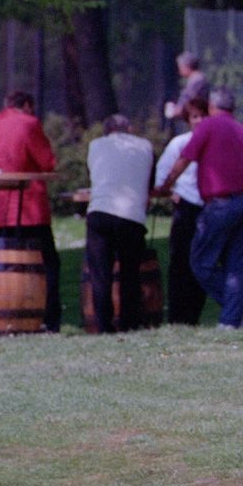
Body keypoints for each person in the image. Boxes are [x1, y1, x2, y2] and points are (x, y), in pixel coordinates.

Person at [155, 86, 243, 329]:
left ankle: (241, 305)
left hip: (218, 203)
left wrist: (166, 184)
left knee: (201, 261)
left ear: (212, 107)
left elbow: (185, 158)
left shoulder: (208, 127)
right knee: (235, 263)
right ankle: (231, 321)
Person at [0, 90, 62, 332]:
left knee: (7, 265)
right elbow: (47, 162)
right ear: (26, 105)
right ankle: (48, 318)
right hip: (29, 206)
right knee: (46, 264)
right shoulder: (29, 124)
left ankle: (8, 316)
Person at [85, 115, 155, 333]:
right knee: (130, 273)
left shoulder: (95, 145)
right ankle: (129, 322)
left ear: (106, 131)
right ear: (130, 129)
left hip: (100, 212)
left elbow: (95, 175)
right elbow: (149, 182)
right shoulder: (145, 146)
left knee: (100, 274)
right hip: (131, 216)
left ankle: (104, 325)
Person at [153, 96, 209, 325]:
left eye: (203, 115)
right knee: (179, 262)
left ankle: (194, 315)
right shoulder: (179, 143)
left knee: (201, 262)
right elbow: (162, 173)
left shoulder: (214, 142)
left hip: (208, 208)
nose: (199, 121)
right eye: (195, 117)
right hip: (186, 206)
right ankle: (177, 317)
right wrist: (170, 192)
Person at [163, 52, 209, 130]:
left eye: (180, 67)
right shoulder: (194, 80)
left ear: (186, 66)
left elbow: (191, 103)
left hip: (198, 124)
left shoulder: (196, 81)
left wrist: (176, 111)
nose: (179, 70)